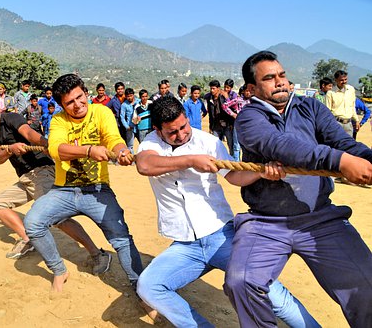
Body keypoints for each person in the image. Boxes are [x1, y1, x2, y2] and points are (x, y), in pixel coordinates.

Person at [135, 96, 319, 328]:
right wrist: (192, 160)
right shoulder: (150, 145)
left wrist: (261, 172)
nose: (181, 135)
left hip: (221, 235)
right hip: (185, 245)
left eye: (184, 127)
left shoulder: (209, 142)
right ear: (158, 131)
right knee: (149, 286)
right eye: (172, 132)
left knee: (268, 290)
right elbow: (145, 166)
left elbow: (234, 175)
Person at [223, 50, 372, 327]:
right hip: (265, 221)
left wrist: (365, 160)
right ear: (252, 88)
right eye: (269, 78)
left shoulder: (310, 107)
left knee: (367, 283)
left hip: (321, 218)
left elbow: (345, 143)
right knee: (240, 282)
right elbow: (280, 146)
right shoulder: (248, 119)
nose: (279, 82)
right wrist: (339, 161)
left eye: (282, 75)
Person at [23, 74, 142, 292]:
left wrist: (122, 151)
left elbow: (113, 139)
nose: (78, 105)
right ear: (61, 105)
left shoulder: (101, 112)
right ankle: (59, 270)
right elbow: (55, 149)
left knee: (121, 238)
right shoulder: (58, 120)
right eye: (70, 102)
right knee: (33, 223)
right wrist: (88, 150)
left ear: (86, 93)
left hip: (97, 189)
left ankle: (140, 287)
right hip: (64, 190)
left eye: (80, 97)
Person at [0, 96, 111, 269]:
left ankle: (97, 254)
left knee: (58, 218)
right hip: (26, 179)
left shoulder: (11, 118)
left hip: (42, 172)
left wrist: (47, 144)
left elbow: (29, 133)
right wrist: (10, 149)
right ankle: (27, 239)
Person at [204, 80, 237, 159]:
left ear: (218, 88)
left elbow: (232, 110)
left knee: (230, 146)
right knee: (216, 146)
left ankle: (232, 163)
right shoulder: (209, 98)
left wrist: (231, 124)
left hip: (227, 125)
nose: (212, 90)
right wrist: (210, 126)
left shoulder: (224, 97)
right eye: (211, 88)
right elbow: (210, 114)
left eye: (214, 88)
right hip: (216, 126)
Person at [324, 70, 359, 137]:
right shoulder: (330, 93)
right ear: (336, 80)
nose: (344, 82)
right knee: (336, 145)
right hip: (336, 123)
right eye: (341, 80)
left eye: (345, 79)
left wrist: (357, 120)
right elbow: (327, 111)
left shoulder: (351, 90)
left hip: (349, 124)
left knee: (348, 145)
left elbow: (352, 106)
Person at [120, 88, 135, 153]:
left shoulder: (138, 101)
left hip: (139, 127)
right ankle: (132, 161)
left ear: (133, 95)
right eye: (128, 96)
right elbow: (122, 117)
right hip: (130, 127)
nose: (129, 97)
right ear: (126, 96)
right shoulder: (124, 105)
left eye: (131, 95)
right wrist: (127, 126)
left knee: (142, 143)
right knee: (130, 145)